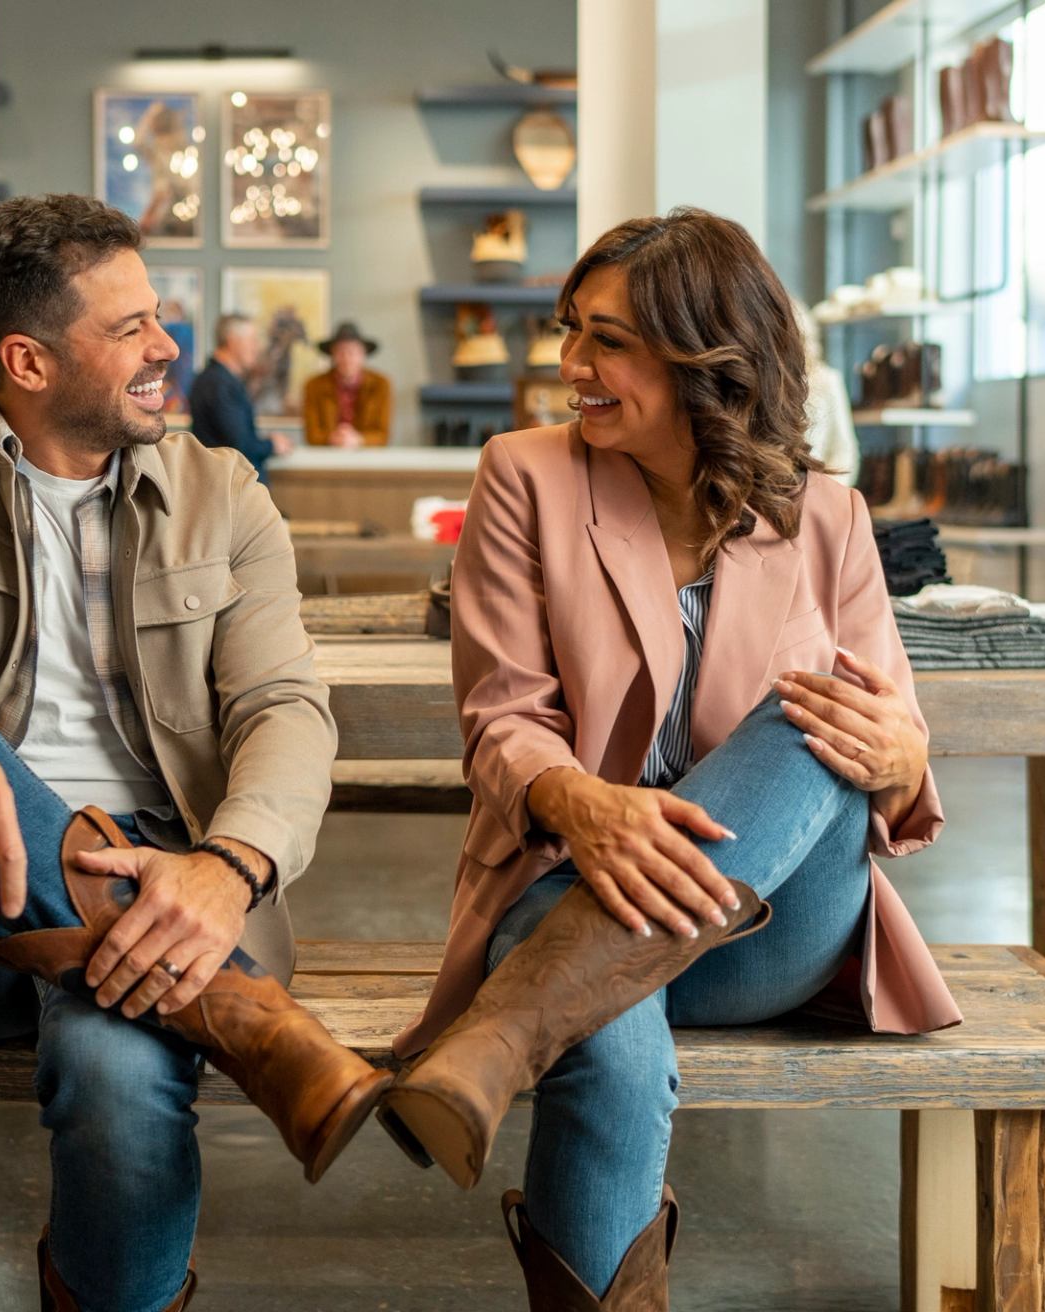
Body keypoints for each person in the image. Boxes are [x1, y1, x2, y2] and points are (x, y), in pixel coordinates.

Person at [0, 194, 382, 1312]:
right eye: (130, 327)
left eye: (161, 317)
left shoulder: (222, 493)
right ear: (27, 360)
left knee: (114, 1066)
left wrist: (230, 864)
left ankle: (207, 1000)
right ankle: (253, 1021)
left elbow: (286, 705)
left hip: (183, 885)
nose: (167, 348)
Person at [377, 208, 961, 1309]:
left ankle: (501, 1036)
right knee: (610, 1031)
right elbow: (502, 715)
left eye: (607, 340)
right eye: (570, 331)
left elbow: (891, 753)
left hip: (764, 933)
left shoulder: (827, 516)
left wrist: (899, 752)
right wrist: (586, 806)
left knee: (814, 719)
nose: (571, 365)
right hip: (563, 875)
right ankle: (547, 1021)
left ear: (706, 355)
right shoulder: (524, 476)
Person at [188, 313, 290, 479]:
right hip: (229, 492)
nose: (257, 347)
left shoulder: (220, 380)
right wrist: (272, 445)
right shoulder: (218, 383)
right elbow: (238, 446)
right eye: (252, 340)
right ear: (232, 341)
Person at [792, 295, 859, 487]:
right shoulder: (766, 384)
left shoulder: (827, 380)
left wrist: (826, 497)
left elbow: (843, 451)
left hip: (819, 492)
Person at [303, 321, 392, 447]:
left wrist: (358, 440)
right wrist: (333, 438)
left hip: (368, 457)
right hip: (326, 457)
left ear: (363, 355)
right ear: (332, 355)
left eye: (352, 352)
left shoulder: (380, 384)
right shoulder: (314, 385)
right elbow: (312, 435)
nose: (346, 358)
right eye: (340, 352)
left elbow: (382, 435)